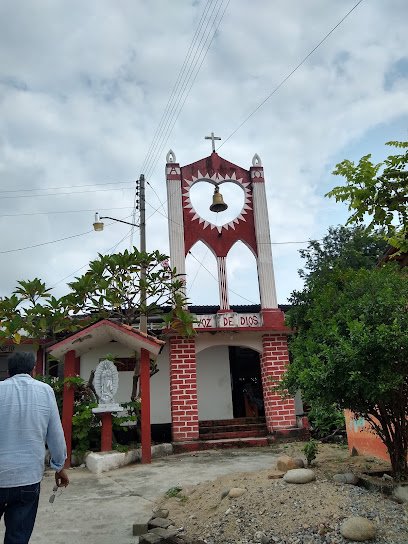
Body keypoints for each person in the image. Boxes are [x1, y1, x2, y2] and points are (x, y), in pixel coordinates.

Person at [0, 351, 69, 544]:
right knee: (18, 537)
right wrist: (59, 466)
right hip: (27, 479)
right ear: (33, 371)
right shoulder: (45, 391)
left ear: (8, 373)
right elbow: (55, 434)